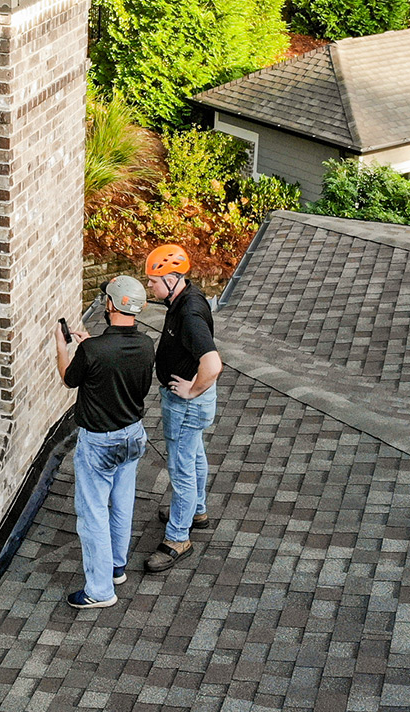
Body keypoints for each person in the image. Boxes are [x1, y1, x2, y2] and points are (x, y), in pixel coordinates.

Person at [55, 275, 155, 608]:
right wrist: (88, 346)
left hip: (99, 443)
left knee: (93, 513)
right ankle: (116, 567)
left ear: (110, 304)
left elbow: (70, 379)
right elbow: (132, 382)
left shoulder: (94, 350)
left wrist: (63, 346)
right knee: (122, 503)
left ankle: (99, 591)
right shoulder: (145, 345)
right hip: (133, 436)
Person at [143, 244, 223, 574]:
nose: (149, 286)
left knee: (181, 470)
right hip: (191, 403)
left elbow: (213, 363)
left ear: (174, 279)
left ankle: (178, 538)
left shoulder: (189, 314)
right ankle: (197, 512)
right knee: (194, 455)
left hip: (186, 404)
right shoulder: (183, 298)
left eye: (153, 280)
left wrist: (192, 389)